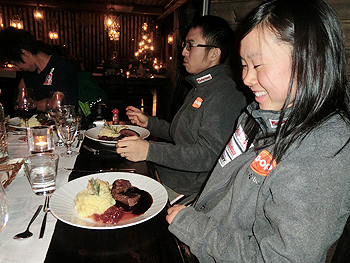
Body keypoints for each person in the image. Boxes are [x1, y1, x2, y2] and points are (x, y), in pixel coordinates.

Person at [166, 0, 350, 262]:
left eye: (257, 65)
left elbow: (279, 258)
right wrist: (192, 211)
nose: (246, 79)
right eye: (243, 65)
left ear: (308, 59)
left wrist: (195, 228)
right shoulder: (260, 112)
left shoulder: (323, 149)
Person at [116, 15, 246, 202]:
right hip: (166, 173)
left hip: (185, 190)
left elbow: (210, 155)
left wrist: (150, 150)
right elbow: (182, 134)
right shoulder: (200, 87)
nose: (183, 52)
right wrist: (149, 123)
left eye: (191, 45)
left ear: (214, 54)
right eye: (184, 45)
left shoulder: (226, 94)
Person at [0, 27, 78, 112]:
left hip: (63, 123)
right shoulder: (29, 72)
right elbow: (21, 98)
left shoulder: (62, 66)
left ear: (25, 53)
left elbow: (55, 105)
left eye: (15, 63)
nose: (17, 68)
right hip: (38, 124)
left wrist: (31, 104)